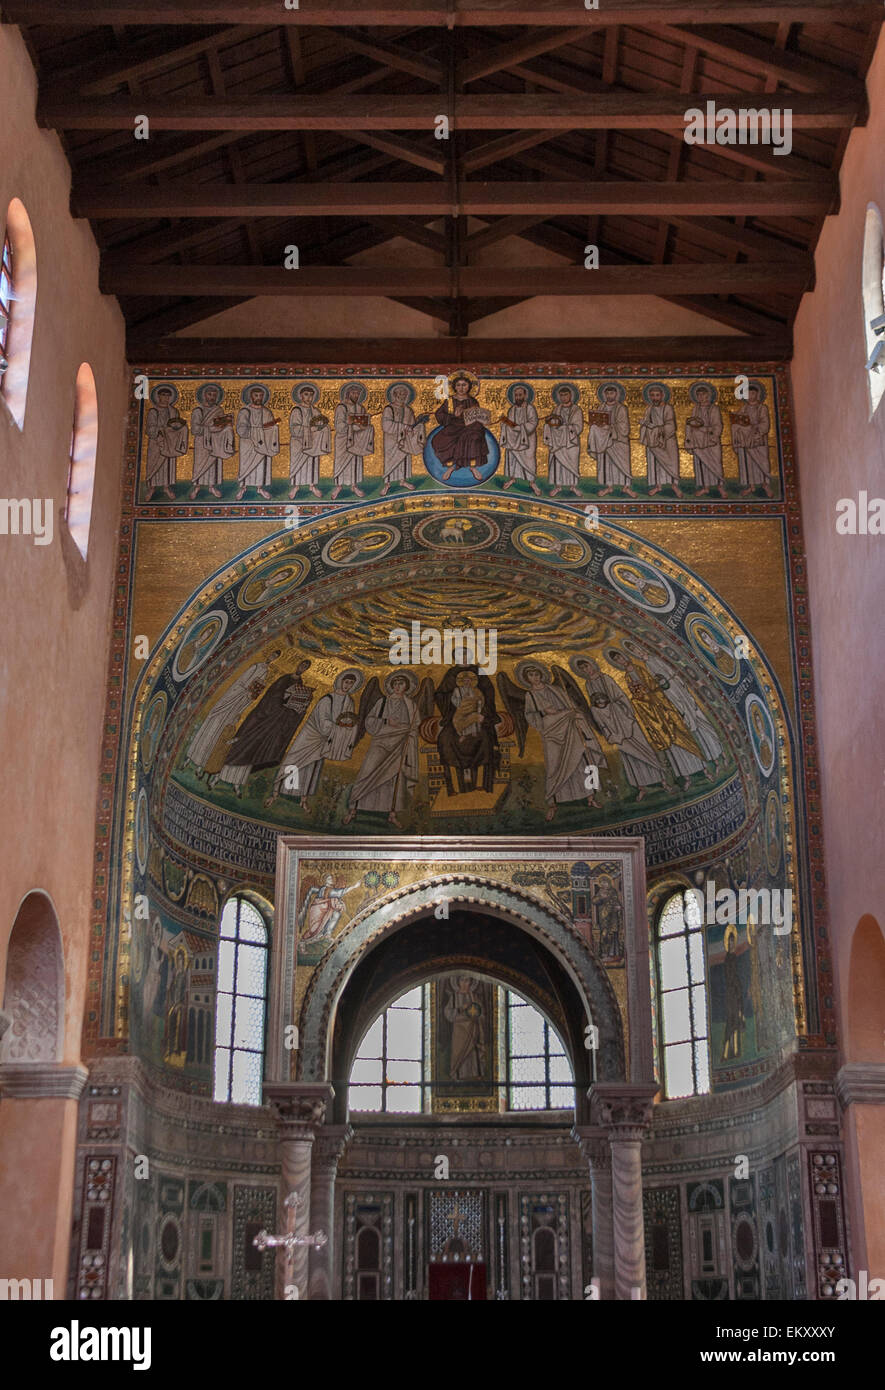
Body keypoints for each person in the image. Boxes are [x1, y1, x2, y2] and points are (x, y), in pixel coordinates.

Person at [210, 659, 313, 795]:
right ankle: (217, 777)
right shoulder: (284, 679)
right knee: (243, 745)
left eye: (306, 667)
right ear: (298, 664)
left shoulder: (300, 685)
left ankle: (237, 783)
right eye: (302, 664)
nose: (303, 667)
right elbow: (272, 695)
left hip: (273, 723)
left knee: (254, 751)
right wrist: (282, 700)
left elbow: (294, 704)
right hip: (263, 718)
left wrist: (298, 707)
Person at [606, 650, 705, 788]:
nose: (620, 661)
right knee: (669, 745)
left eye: (620, 657)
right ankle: (685, 777)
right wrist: (641, 697)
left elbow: (656, 686)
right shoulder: (627, 677)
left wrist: (649, 693)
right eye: (617, 660)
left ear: (625, 656)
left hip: (664, 709)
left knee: (681, 734)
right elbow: (636, 695)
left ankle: (703, 768)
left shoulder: (640, 669)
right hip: (653, 715)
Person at [571, 655, 665, 801]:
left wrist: (621, 710)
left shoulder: (606, 678)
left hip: (623, 718)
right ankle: (641, 787)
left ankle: (664, 782)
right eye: (582, 668)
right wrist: (599, 711)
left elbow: (620, 696)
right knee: (628, 756)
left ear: (593, 665)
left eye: (587, 666)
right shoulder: (588, 685)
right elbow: (594, 704)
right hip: (610, 725)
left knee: (643, 747)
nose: (586, 670)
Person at [521, 663, 607, 821]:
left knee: (581, 761)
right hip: (552, 733)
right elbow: (530, 716)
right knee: (555, 766)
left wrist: (572, 714)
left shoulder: (556, 689)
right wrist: (544, 719)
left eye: (537, 674)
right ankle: (553, 804)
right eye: (531, 676)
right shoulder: (530, 695)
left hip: (570, 728)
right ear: (527, 679)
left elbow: (572, 706)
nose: (535, 678)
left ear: (541, 675)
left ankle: (590, 797)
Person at [267, 669, 362, 810]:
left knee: (312, 768)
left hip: (325, 741)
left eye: (351, 683)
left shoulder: (349, 701)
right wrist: (338, 727)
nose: (348, 685)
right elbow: (322, 722)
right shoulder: (327, 699)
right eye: (346, 682)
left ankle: (303, 800)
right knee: (293, 762)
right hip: (311, 736)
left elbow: (350, 721)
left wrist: (347, 727)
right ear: (340, 681)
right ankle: (275, 794)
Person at [343, 673, 419, 827]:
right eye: (395, 683)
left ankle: (392, 814)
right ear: (391, 685)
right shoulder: (382, 701)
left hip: (399, 744)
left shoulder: (410, 704)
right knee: (367, 772)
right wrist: (386, 721)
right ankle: (353, 809)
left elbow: (415, 724)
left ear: (407, 686)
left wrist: (408, 734)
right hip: (380, 742)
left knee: (394, 779)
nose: (397, 687)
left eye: (401, 684)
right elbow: (369, 721)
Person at [184, 655, 274, 779]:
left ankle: (203, 764)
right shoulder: (255, 666)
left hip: (237, 706)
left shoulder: (265, 673)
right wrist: (244, 691)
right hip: (230, 698)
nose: (271, 658)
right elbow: (240, 682)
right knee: (211, 724)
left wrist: (245, 703)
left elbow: (254, 696)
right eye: (272, 655)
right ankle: (191, 756)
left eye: (274, 657)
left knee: (218, 734)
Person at [432, 374, 488, 481]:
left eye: (464, 385)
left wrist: (481, 418)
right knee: (438, 440)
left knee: (473, 436)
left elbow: (477, 415)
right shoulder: (449, 401)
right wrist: (453, 415)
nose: (461, 388)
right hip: (453, 427)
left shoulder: (472, 401)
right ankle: (452, 466)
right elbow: (439, 415)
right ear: (454, 387)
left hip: (470, 427)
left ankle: (470, 467)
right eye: (458, 385)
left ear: (469, 386)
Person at [380, 383, 427, 495]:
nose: (402, 396)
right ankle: (387, 484)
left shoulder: (408, 410)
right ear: (395, 395)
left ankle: (403, 481)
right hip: (392, 440)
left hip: (405, 440)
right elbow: (386, 425)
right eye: (400, 393)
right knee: (391, 462)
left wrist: (418, 426)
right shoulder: (389, 408)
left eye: (404, 394)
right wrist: (403, 427)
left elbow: (412, 426)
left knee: (404, 460)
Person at [588, 383, 633, 496]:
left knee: (623, 464)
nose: (609, 395)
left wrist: (610, 427)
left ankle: (626, 486)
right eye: (607, 393)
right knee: (607, 463)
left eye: (611, 393)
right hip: (605, 440)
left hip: (618, 440)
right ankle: (609, 487)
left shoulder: (621, 408)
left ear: (616, 394)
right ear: (604, 395)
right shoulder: (601, 407)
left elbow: (624, 427)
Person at [190, 384, 234, 499]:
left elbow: (219, 424)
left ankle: (211, 486)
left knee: (213, 465)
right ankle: (197, 487)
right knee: (200, 464)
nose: (212, 397)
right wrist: (210, 428)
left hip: (215, 440)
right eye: (209, 394)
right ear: (204, 395)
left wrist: (226, 424)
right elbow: (195, 429)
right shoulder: (198, 410)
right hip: (201, 441)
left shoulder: (218, 410)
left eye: (214, 395)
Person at [236, 385, 280, 500]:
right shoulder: (245, 411)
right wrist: (256, 431)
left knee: (261, 465)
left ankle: (260, 488)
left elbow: (271, 429)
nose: (259, 398)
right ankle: (243, 488)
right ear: (251, 396)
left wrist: (271, 428)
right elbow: (241, 429)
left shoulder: (267, 412)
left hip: (263, 444)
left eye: (261, 395)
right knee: (246, 466)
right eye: (256, 395)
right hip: (248, 445)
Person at [145, 386, 188, 500]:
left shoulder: (174, 411)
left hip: (170, 443)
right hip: (156, 443)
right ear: (158, 396)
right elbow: (149, 428)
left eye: (167, 396)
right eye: (163, 395)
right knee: (154, 464)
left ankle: (166, 487)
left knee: (168, 465)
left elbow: (177, 426)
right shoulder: (153, 411)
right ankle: (152, 488)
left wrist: (179, 427)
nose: (165, 398)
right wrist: (163, 429)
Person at [332, 383, 373, 499]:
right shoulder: (342, 407)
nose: (356, 395)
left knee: (355, 462)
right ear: (348, 393)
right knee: (341, 462)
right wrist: (354, 426)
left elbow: (364, 424)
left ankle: (354, 486)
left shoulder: (360, 408)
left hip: (357, 440)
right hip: (343, 440)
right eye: (354, 393)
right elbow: (339, 426)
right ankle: (339, 486)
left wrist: (365, 425)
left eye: (358, 394)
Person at [288, 384, 330, 499]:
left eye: (311, 395)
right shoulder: (297, 410)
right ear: (301, 396)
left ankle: (312, 486)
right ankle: (296, 487)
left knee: (312, 463)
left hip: (313, 443)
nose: (309, 398)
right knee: (298, 465)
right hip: (299, 443)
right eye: (306, 395)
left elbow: (321, 422)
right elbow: (294, 429)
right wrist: (309, 429)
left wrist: (321, 426)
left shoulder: (315, 410)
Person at [730, 383, 772, 496]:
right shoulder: (744, 408)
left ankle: (765, 485)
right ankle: (751, 486)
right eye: (748, 393)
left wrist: (754, 428)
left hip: (758, 439)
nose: (750, 395)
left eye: (752, 393)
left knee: (761, 462)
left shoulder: (762, 408)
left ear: (757, 394)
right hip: (746, 440)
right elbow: (737, 421)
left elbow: (765, 423)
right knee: (749, 463)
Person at [639, 383, 680, 496]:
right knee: (655, 464)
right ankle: (658, 486)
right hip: (653, 441)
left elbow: (671, 425)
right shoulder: (649, 409)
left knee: (671, 462)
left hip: (667, 440)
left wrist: (657, 429)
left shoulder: (668, 408)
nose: (655, 398)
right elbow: (647, 423)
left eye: (657, 395)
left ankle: (674, 486)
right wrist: (645, 425)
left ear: (662, 395)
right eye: (652, 395)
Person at [544, 385, 584, 497]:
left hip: (571, 442)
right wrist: (551, 425)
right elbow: (552, 422)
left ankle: (573, 487)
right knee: (558, 464)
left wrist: (566, 427)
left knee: (572, 463)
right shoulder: (557, 409)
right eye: (561, 395)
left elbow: (579, 427)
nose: (563, 398)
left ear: (571, 395)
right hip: (557, 441)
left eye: (566, 395)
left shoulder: (576, 410)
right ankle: (558, 487)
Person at [499, 383, 540, 493]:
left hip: (527, 440)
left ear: (525, 396)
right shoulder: (512, 409)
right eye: (516, 395)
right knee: (513, 459)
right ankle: (512, 479)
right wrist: (505, 423)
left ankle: (532, 483)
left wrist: (519, 428)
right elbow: (510, 425)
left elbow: (533, 423)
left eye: (520, 395)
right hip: (513, 440)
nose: (518, 397)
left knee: (529, 460)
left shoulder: (530, 408)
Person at [685, 383, 724, 496]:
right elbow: (691, 423)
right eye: (699, 395)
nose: (701, 397)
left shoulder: (714, 409)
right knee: (702, 464)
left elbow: (718, 426)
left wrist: (704, 429)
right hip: (698, 441)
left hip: (711, 441)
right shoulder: (696, 409)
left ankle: (720, 486)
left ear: (708, 395)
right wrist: (689, 440)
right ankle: (705, 487)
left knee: (715, 463)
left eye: (703, 394)